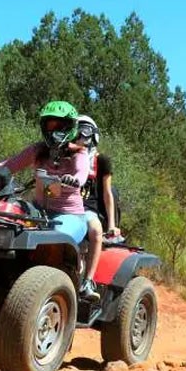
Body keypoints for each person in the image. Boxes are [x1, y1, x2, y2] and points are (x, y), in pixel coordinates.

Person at [0, 100, 100, 302]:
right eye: (49, 124)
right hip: (38, 211)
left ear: (70, 127)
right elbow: (9, 165)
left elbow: (81, 173)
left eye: (58, 125)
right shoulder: (39, 151)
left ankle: (49, 289)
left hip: (69, 216)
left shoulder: (79, 154)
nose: (53, 130)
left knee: (53, 238)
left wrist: (74, 180)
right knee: (5, 215)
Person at [73, 115, 122, 297]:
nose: (80, 136)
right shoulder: (67, 155)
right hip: (65, 206)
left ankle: (88, 281)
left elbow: (107, 194)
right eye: (77, 130)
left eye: (84, 131)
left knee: (94, 230)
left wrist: (111, 225)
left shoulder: (102, 161)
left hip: (88, 209)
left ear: (93, 135)